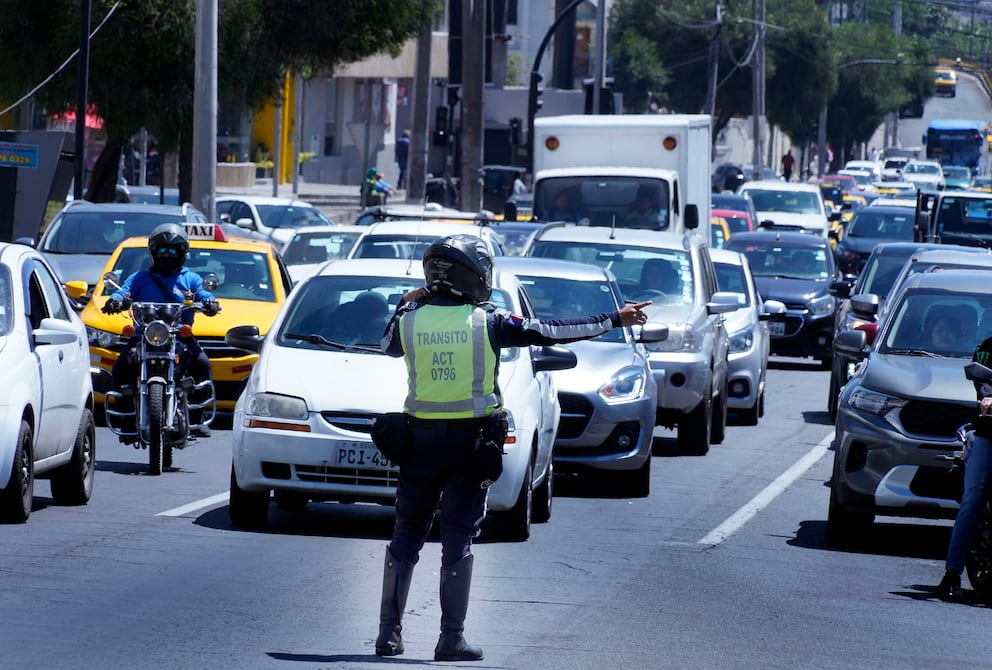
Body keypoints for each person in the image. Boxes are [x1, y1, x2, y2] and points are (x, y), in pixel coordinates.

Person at [375, 234, 650, 661]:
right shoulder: (488, 321)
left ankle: (388, 634)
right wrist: (615, 319)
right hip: (469, 445)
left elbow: (385, 343)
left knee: (406, 534)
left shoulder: (410, 320)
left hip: (419, 443)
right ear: (475, 276)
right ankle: (450, 637)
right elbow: (554, 332)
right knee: (458, 537)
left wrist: (406, 302)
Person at [101, 224, 221, 439]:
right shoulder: (139, 278)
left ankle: (197, 417)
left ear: (182, 254)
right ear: (153, 253)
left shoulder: (190, 278)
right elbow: (123, 292)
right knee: (120, 367)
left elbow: (202, 293)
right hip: (143, 336)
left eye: (173, 251)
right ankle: (127, 418)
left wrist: (210, 302)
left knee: (202, 363)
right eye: (163, 251)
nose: (168, 256)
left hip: (179, 336)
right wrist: (115, 301)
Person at [936, 336, 992, 599]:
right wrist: (989, 397)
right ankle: (952, 573)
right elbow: (983, 383)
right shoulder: (988, 349)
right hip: (989, 433)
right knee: (974, 496)